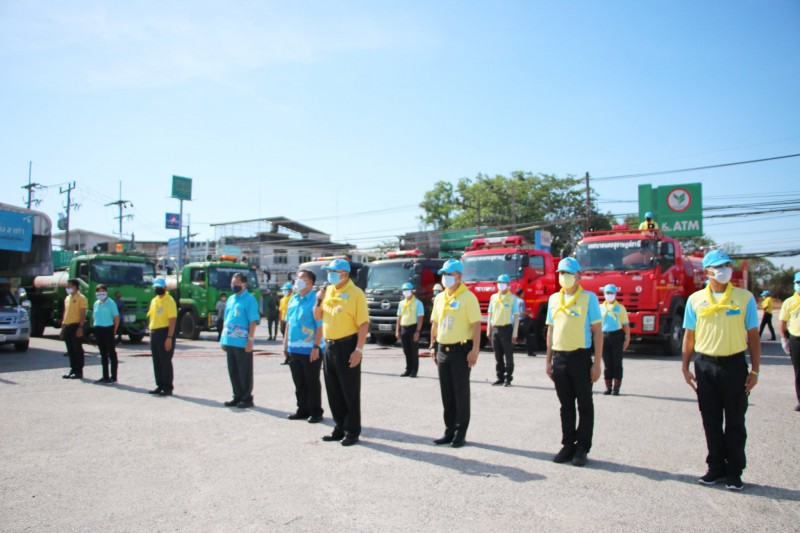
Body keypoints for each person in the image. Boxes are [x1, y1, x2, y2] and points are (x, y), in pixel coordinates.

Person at [682, 249, 760, 491]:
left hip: (734, 366)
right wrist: (685, 366)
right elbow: (689, 335)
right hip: (705, 366)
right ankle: (715, 466)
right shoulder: (695, 300)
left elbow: (753, 336)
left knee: (735, 420)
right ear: (706, 271)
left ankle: (734, 471)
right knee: (711, 420)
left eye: (726, 265)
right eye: (718, 267)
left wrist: (755, 371)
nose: (723, 270)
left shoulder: (744, 298)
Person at [545, 257, 603, 467]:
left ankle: (582, 448)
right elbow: (550, 330)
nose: (564, 277)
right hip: (560, 358)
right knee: (566, 405)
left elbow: (598, 332)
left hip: (580, 357)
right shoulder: (554, 299)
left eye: (568, 273)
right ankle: (568, 444)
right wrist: (548, 360)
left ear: (578, 276)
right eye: (561, 273)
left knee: (584, 404)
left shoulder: (589, 298)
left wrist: (597, 363)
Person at [428, 259, 481, 448]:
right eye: (444, 274)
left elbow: (476, 325)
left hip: (461, 350)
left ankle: (460, 433)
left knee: (460, 393)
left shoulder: (468, 297)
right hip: (442, 349)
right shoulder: (440, 298)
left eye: (449, 274)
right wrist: (432, 345)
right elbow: (435, 323)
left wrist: (475, 350)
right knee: (447, 394)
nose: (445, 278)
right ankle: (449, 430)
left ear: (459, 277)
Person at [317, 258, 369, 446]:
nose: (329, 275)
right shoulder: (328, 291)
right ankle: (339, 427)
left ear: (345, 274)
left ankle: (352, 431)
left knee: (349, 391)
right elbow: (317, 316)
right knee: (333, 390)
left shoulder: (356, 293)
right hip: (329, 346)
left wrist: (358, 350)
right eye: (328, 271)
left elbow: (363, 324)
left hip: (347, 346)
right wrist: (318, 300)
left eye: (333, 272)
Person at [283, 270, 324, 422]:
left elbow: (320, 325)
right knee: (299, 382)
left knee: (311, 381)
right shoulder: (293, 299)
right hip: (294, 348)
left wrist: (316, 347)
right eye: (297, 278)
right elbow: (289, 323)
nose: (298, 281)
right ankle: (302, 409)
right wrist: (285, 343)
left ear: (310, 283)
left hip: (310, 348)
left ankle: (316, 412)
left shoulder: (316, 300)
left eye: (302, 279)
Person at [221, 273, 260, 409]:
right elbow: (226, 319)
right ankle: (236, 396)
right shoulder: (231, 299)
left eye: (237, 282)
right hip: (230, 340)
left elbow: (253, 321)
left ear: (244, 284)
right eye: (233, 282)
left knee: (244, 371)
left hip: (242, 341)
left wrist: (250, 340)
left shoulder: (250, 299)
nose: (234, 285)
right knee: (233, 370)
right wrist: (223, 339)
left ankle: (246, 398)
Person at [487, 274, 520, 386]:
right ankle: (500, 377)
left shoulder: (512, 298)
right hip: (496, 329)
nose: (501, 285)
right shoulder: (493, 297)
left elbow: (516, 316)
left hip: (507, 329)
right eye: (499, 283)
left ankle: (508, 378)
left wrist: (515, 333)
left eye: (503, 283)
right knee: (498, 355)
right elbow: (490, 313)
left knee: (508, 355)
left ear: (508, 284)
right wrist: (489, 329)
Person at [147, 277, 178, 396]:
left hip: (164, 332)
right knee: (157, 360)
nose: (157, 289)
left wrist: (169, 337)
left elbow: (172, 320)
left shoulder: (169, 301)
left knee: (165, 361)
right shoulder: (154, 300)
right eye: (156, 287)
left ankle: (167, 387)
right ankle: (159, 385)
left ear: (165, 287)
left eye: (159, 287)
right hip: (154, 332)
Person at [600, 284, 630, 395]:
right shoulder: (600, 308)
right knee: (607, 363)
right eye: (607, 293)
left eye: (611, 293)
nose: (609, 295)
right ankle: (608, 386)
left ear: (615, 294)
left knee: (617, 362)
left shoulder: (620, 308)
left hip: (617, 336)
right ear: (604, 294)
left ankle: (616, 387)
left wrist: (627, 338)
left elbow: (625, 324)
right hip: (604, 336)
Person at [779, 272, 800, 412]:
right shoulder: (789, 302)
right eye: (798, 283)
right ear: (794, 284)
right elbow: (783, 322)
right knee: (798, 371)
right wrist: (783, 339)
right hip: (796, 339)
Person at [60, 278, 88, 379]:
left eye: (69, 286)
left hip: (76, 326)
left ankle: (79, 371)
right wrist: (63, 327)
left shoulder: (81, 298)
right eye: (67, 286)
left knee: (77, 349)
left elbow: (83, 314)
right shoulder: (67, 298)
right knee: (70, 349)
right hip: (67, 326)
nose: (67, 288)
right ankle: (72, 369)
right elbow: (65, 312)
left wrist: (80, 327)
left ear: (75, 287)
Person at [92, 284, 120, 383]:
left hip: (108, 328)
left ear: (106, 292)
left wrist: (114, 330)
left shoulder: (111, 303)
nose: (100, 293)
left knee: (111, 353)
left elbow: (116, 318)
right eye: (98, 292)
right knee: (103, 353)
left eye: (102, 291)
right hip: (98, 328)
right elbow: (94, 316)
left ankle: (113, 376)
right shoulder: (96, 303)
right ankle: (105, 376)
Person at [395, 282, 423, 378]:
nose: (406, 292)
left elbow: (420, 318)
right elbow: (399, 317)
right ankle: (408, 369)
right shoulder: (401, 303)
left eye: (408, 290)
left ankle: (414, 370)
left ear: (412, 290)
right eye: (404, 290)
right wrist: (397, 330)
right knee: (406, 350)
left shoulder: (418, 303)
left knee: (413, 350)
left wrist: (417, 331)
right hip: (404, 327)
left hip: (413, 327)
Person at [516, 289, 536, 357]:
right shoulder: (521, 301)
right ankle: (530, 352)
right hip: (522, 321)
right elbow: (522, 311)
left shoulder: (515, 301)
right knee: (527, 337)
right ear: (521, 294)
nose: (524, 294)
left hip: (515, 321)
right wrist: (529, 313)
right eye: (523, 293)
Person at [279, 282, 293, 364]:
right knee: (284, 338)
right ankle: (287, 356)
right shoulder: (282, 300)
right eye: (283, 290)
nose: (284, 291)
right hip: (283, 321)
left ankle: (289, 357)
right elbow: (281, 311)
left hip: (290, 321)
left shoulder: (293, 298)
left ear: (290, 290)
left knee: (289, 339)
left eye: (286, 290)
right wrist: (280, 322)